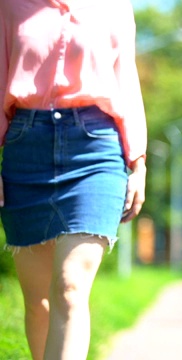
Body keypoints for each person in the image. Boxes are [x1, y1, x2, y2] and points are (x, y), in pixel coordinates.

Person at [0, 1, 147, 359]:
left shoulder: (114, 6)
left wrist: (138, 161)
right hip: (25, 148)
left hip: (95, 149)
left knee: (69, 286)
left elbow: (126, 78)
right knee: (39, 303)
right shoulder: (10, 5)